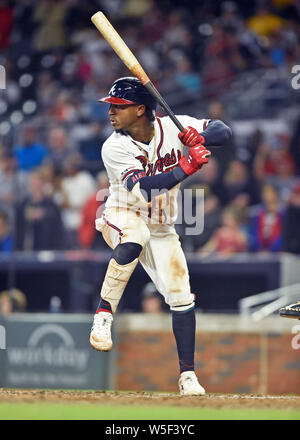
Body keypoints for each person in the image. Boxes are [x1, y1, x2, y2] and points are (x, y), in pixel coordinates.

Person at [89, 77, 232, 396]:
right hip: (122, 214)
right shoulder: (114, 146)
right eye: (110, 106)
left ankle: (188, 376)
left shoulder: (172, 128)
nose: (111, 112)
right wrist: (186, 166)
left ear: (141, 110)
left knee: (182, 294)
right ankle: (103, 315)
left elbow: (224, 131)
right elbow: (144, 191)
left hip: (163, 226)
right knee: (136, 232)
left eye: (119, 107)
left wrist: (201, 136)